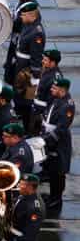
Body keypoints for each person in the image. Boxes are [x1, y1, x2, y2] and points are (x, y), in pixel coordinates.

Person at [42, 77, 73, 218]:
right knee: (52, 170)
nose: (51, 89)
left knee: (58, 173)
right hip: (50, 138)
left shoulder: (67, 106)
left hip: (59, 143)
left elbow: (61, 129)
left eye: (54, 88)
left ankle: (56, 200)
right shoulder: (56, 99)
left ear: (62, 90)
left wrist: (46, 141)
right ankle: (53, 196)